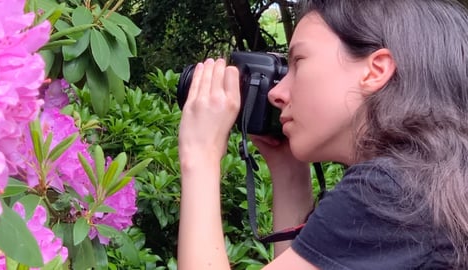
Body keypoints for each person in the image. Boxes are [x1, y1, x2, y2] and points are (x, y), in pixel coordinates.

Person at [176, 0, 468, 269]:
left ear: (375, 70)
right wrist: (290, 174)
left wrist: (199, 155)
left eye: (298, 63)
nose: (277, 93)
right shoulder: (432, 181)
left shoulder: (391, 192)